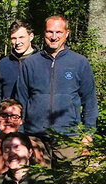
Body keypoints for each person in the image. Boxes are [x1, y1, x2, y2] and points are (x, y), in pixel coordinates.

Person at [15, 15, 98, 161]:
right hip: (35, 138)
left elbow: (90, 102)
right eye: (49, 32)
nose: (54, 37)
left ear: (67, 33)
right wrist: (22, 134)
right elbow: (21, 101)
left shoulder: (79, 63)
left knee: (70, 183)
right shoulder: (30, 63)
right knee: (37, 182)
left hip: (69, 139)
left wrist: (88, 134)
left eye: (58, 32)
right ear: (44, 33)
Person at [0, 20, 37, 135]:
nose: (17, 42)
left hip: (34, 125)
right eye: (14, 38)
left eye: (21, 37)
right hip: (8, 124)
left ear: (31, 36)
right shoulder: (4, 64)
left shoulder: (42, 62)